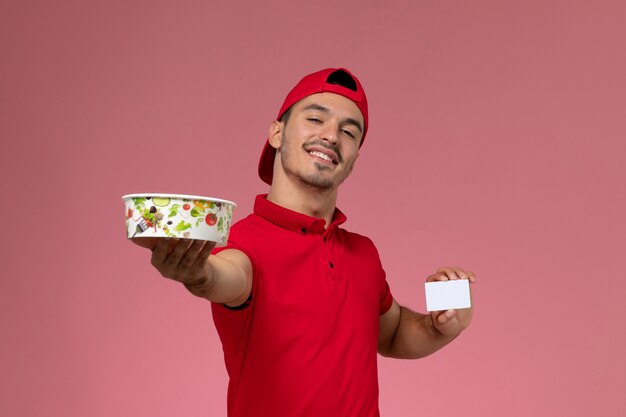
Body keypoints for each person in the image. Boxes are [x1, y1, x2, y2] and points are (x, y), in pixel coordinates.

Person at [143, 68, 477, 417]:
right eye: (316, 118)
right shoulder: (242, 241)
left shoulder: (363, 253)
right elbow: (224, 276)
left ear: (354, 158)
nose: (331, 136)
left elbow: (391, 334)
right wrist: (197, 270)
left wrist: (441, 325)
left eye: (349, 132)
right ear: (276, 132)